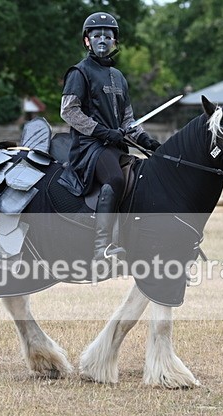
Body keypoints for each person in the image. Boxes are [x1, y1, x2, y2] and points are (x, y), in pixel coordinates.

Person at [60, 11, 162, 261]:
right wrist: (102, 131)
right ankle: (101, 247)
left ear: (115, 41)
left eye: (108, 35)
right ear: (87, 41)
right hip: (89, 148)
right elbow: (68, 111)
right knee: (115, 179)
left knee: (143, 177)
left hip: (116, 148)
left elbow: (128, 120)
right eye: (96, 36)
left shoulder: (119, 77)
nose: (102, 40)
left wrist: (147, 141)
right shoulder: (79, 72)